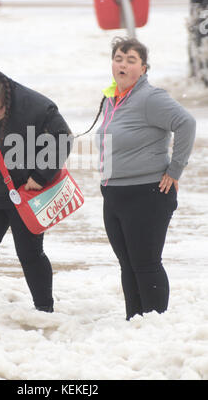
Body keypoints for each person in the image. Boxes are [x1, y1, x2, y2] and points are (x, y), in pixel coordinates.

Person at [83, 37, 196, 321]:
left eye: (131, 60)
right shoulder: (113, 98)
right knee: (127, 265)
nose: (123, 64)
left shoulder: (150, 97)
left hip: (147, 193)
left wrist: (175, 170)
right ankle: (134, 322)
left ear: (143, 68)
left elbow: (186, 123)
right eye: (119, 58)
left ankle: (155, 325)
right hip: (115, 193)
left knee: (145, 264)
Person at [0, 61, 72, 312]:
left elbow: (64, 137)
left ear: (6, 98)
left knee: (30, 254)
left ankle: (45, 309)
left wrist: (42, 175)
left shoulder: (34, 105)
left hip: (27, 191)